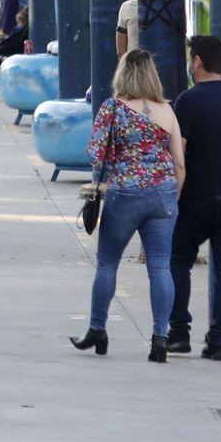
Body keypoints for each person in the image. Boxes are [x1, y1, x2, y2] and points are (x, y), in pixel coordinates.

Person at [70, 49, 185, 362]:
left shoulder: (112, 108)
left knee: (107, 263)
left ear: (123, 75)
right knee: (160, 267)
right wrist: (172, 198)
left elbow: (95, 154)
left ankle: (98, 330)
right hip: (163, 193)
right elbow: (179, 163)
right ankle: (160, 340)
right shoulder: (167, 110)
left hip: (125, 192)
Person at [168, 36, 221, 361]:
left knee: (178, 261)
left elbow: (178, 157)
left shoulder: (187, 102)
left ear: (197, 62)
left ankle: (179, 333)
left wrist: (174, 197)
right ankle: (219, 342)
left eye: (190, 59)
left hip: (195, 197)